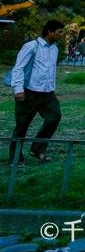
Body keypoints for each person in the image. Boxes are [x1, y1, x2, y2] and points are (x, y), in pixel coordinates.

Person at [7, 20, 65, 166]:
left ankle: (37, 148)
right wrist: (18, 89)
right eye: (60, 32)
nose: (62, 35)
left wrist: (52, 90)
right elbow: (18, 68)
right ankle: (15, 159)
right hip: (29, 93)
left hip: (47, 93)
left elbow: (50, 71)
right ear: (50, 32)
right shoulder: (32, 46)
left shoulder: (54, 49)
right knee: (22, 126)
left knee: (54, 116)